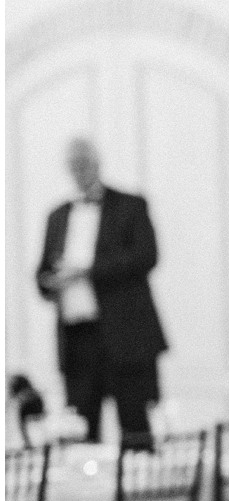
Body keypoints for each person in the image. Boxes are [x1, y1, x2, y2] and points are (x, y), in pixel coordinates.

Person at [34, 138, 167, 448]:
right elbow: (42, 272)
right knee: (80, 431)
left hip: (125, 335)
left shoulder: (131, 205)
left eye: (85, 163)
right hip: (77, 339)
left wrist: (86, 270)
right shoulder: (57, 216)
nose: (80, 170)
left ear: (97, 163)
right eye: (74, 165)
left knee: (135, 427)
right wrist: (49, 281)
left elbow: (146, 256)